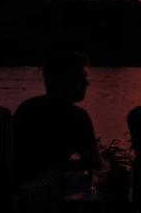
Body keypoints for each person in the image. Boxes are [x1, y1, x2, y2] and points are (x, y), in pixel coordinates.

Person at [13, 51, 103, 183]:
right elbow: (95, 163)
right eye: (80, 77)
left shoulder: (27, 108)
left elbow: (39, 163)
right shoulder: (77, 117)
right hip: (41, 195)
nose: (86, 83)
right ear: (63, 80)